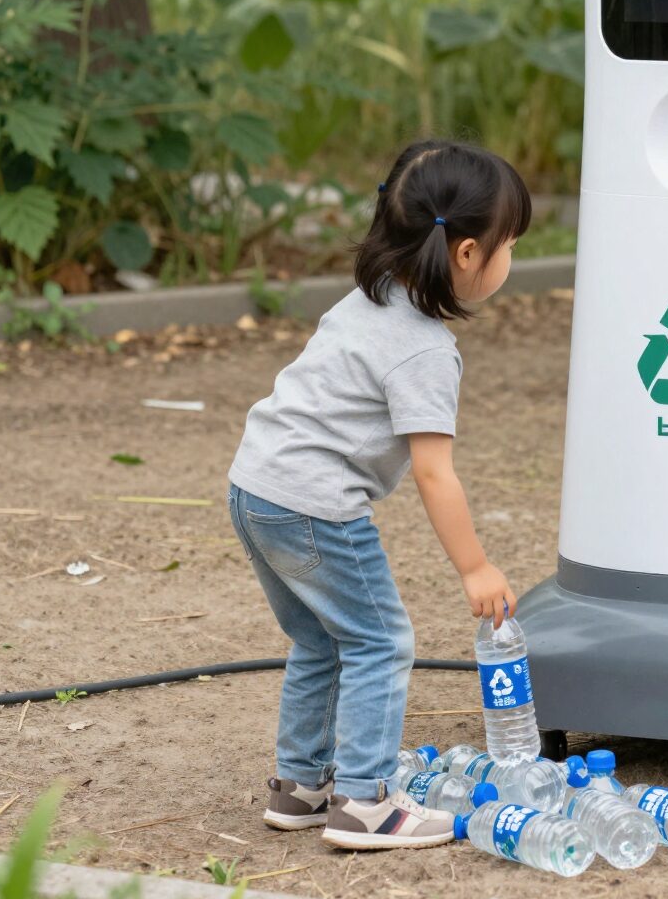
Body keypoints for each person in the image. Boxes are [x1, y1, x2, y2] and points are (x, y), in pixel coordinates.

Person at [228, 140, 531, 850]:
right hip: (313, 505)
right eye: (509, 243)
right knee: (381, 639)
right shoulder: (424, 348)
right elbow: (435, 473)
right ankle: (366, 803)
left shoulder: (367, 299)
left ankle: (302, 787)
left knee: (318, 638)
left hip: (255, 488)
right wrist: (476, 568)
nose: (510, 257)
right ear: (465, 255)